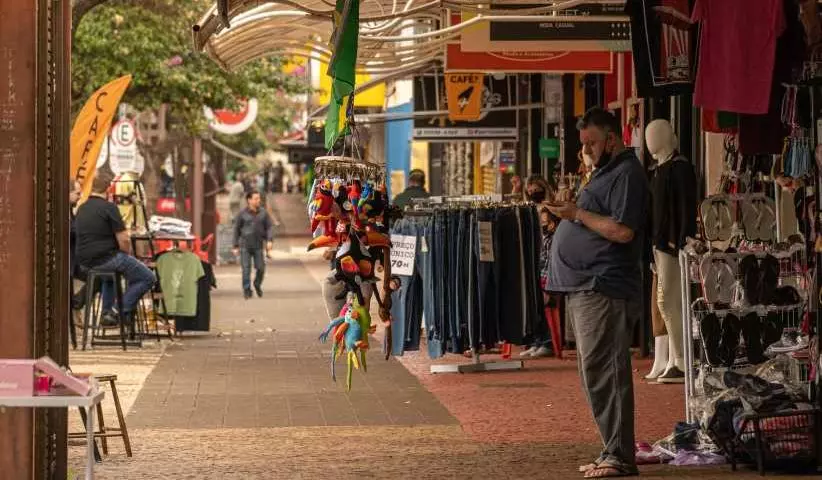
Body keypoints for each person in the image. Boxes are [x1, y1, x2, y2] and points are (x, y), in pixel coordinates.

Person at [547, 107, 648, 479]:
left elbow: (623, 231)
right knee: (595, 371)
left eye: (591, 143)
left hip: (604, 285)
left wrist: (577, 214)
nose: (586, 150)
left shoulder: (627, 173)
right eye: (583, 144)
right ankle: (611, 449)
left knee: (606, 370)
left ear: (612, 138)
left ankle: (619, 456)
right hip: (586, 286)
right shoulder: (605, 173)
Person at [74, 171, 156, 326]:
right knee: (147, 277)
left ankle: (107, 315)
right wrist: (127, 255)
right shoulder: (109, 208)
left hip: (85, 262)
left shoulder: (82, 208)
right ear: (108, 189)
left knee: (110, 277)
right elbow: (124, 240)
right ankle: (116, 310)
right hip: (107, 258)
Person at [520, 175, 555, 358]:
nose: (534, 193)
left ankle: (546, 342)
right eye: (531, 190)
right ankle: (536, 341)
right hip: (535, 261)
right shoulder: (529, 208)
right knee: (532, 304)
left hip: (546, 265)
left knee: (542, 303)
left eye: (536, 189)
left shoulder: (550, 208)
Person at [233, 190, 274, 299]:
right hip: (245, 246)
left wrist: (269, 240)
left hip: (258, 245)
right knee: (246, 269)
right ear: (249, 200)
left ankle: (257, 284)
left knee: (261, 268)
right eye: (256, 198)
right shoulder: (242, 214)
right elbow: (236, 229)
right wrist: (235, 245)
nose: (258, 200)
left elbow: (269, 227)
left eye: (259, 198)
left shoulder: (263, 213)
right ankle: (247, 290)